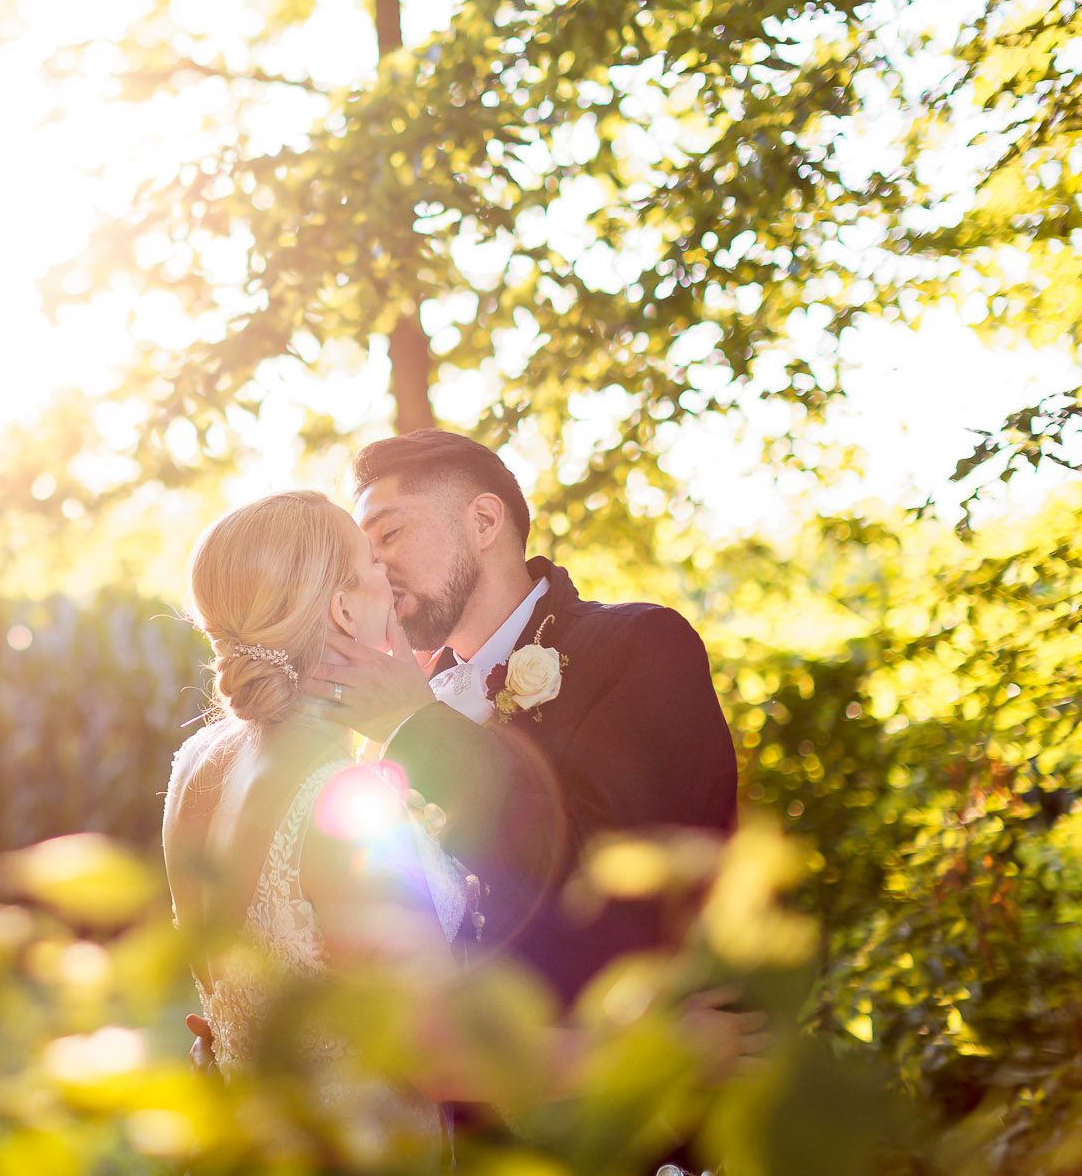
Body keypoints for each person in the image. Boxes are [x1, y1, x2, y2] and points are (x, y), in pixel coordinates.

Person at [163, 487, 754, 1169]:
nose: (390, 578)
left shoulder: (197, 767)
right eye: (370, 563)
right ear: (344, 608)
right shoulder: (346, 804)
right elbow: (439, 1052)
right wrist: (670, 1047)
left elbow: (236, 990)